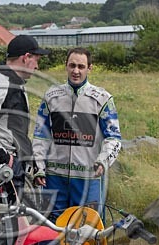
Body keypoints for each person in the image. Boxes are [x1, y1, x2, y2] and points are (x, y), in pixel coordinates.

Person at [32, 47, 122, 217]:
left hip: (88, 177)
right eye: (72, 65)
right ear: (66, 66)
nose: (76, 71)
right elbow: (40, 135)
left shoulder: (102, 98)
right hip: (55, 177)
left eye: (81, 67)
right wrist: (39, 167)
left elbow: (114, 137)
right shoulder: (51, 96)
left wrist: (103, 160)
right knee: (52, 230)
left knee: (89, 231)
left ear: (89, 68)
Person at [0, 34, 48, 201]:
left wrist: (31, 163)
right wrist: (4, 158)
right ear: (26, 58)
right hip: (2, 170)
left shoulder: (15, 82)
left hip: (12, 166)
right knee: (11, 222)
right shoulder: (2, 83)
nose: (37, 66)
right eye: (36, 59)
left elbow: (15, 130)